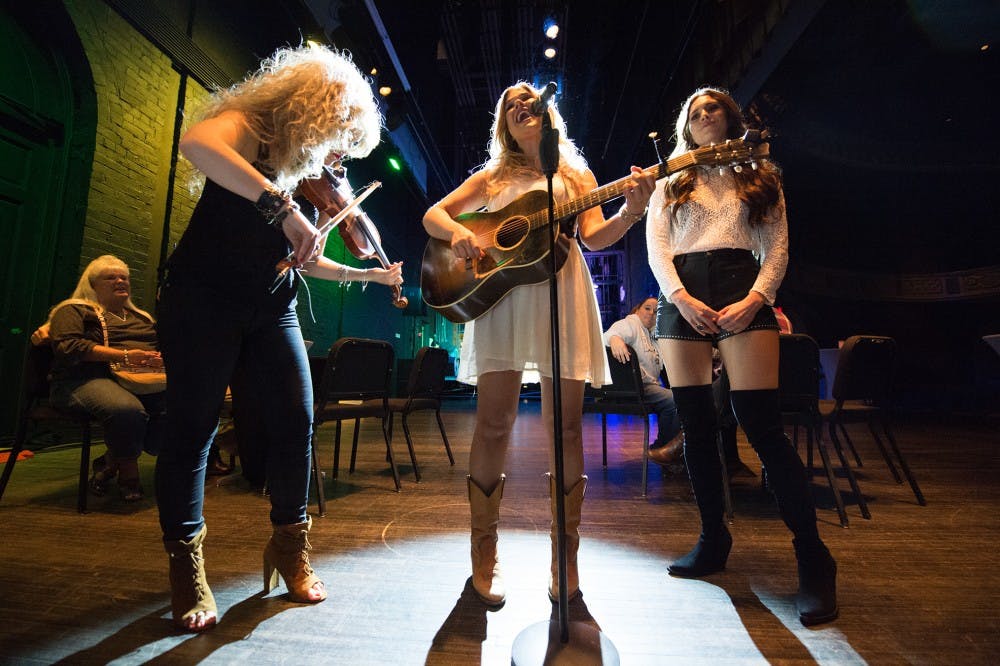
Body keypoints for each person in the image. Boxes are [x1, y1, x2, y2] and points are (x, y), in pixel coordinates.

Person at [156, 44, 402, 633]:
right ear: (313, 109)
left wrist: (360, 269)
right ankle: (186, 566)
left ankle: (289, 548)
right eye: (340, 132)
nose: (340, 153)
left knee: (296, 420)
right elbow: (194, 144)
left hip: (271, 308)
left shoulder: (309, 169)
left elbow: (302, 256)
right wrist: (281, 207)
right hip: (202, 299)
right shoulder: (250, 130)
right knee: (194, 429)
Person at [422, 82, 655, 607]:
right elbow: (434, 215)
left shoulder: (574, 175)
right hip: (502, 298)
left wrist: (631, 211)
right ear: (503, 123)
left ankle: (564, 557)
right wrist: (460, 234)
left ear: (549, 113)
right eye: (509, 103)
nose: (520, 104)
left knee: (567, 428)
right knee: (494, 422)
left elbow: (595, 236)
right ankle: (484, 554)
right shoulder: (493, 176)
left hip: (563, 293)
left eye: (528, 97)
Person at [646, 87, 837, 625]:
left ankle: (814, 559)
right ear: (686, 125)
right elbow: (657, 246)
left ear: (731, 120)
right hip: (681, 292)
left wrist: (756, 299)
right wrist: (681, 299)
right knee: (696, 426)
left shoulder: (761, 174)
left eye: (715, 108)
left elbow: (776, 245)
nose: (706, 114)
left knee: (761, 427)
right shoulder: (671, 177)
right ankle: (713, 540)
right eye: (696, 110)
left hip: (741, 286)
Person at [43, 254, 165, 503]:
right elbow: (69, 346)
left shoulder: (141, 317)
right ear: (92, 284)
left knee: (183, 406)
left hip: (139, 381)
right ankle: (129, 475)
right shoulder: (74, 309)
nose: (120, 281)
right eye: (111, 277)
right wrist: (126, 355)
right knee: (127, 410)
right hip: (82, 380)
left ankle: (109, 462)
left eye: (124, 277)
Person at [602, 297, 683, 466]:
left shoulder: (653, 336)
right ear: (637, 310)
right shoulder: (631, 324)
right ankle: (663, 448)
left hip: (648, 388)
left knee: (681, 398)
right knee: (676, 400)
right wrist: (615, 340)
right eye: (647, 308)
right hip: (635, 389)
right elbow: (610, 334)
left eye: (656, 311)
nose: (651, 313)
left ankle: (671, 449)